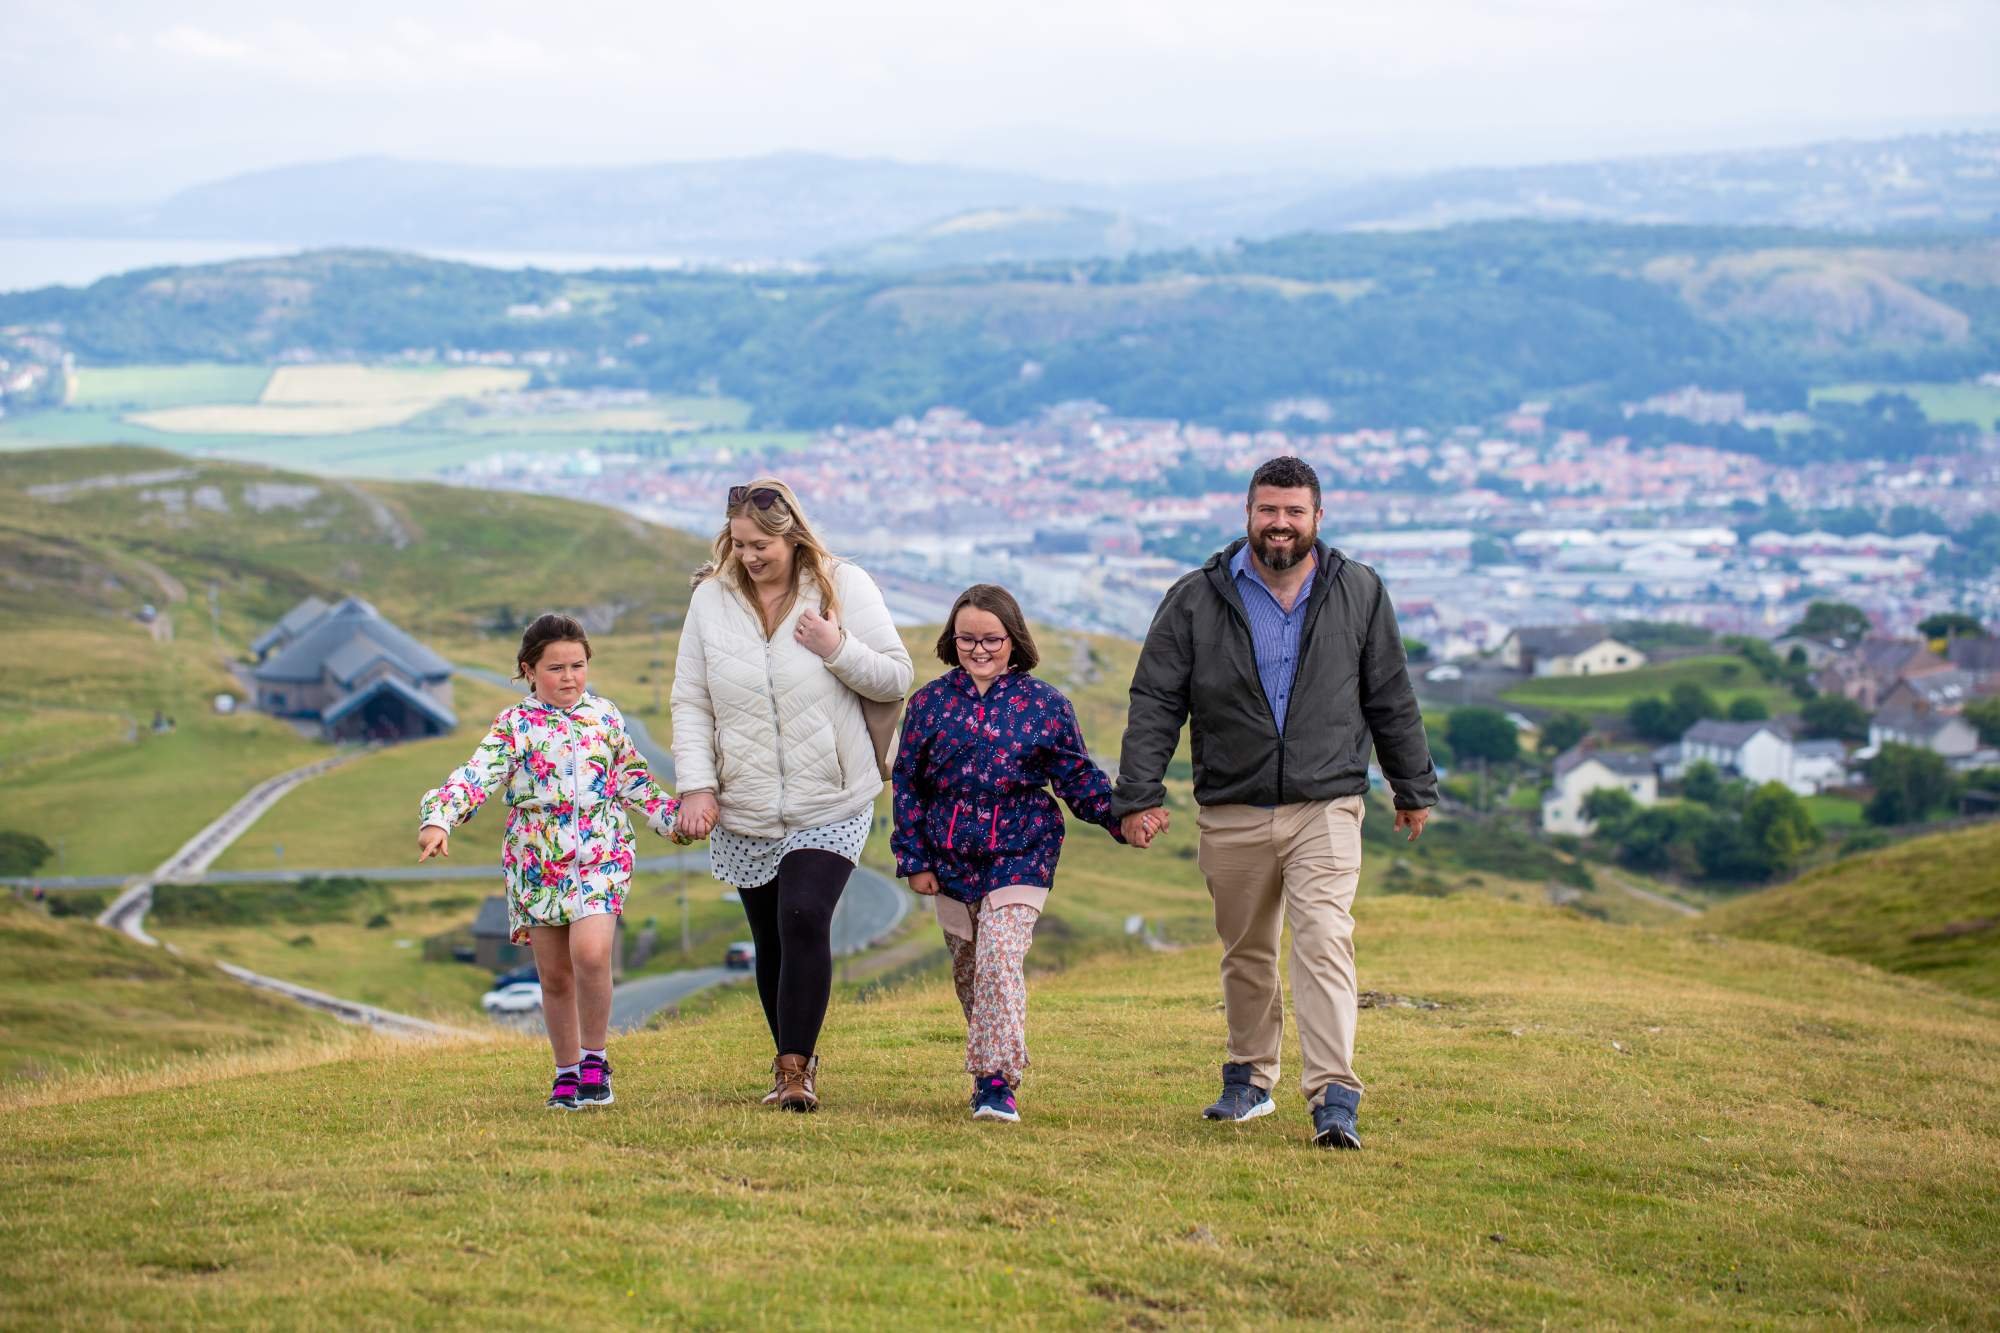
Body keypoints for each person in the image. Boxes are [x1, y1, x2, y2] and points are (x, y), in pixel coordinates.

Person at [1114, 456, 1438, 1150]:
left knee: (1324, 936)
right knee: (1248, 950)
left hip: (1327, 802)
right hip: (1232, 802)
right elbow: (1155, 701)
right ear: (1248, 515)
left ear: (1318, 517)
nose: (1281, 524)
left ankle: (1334, 1095)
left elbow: (1390, 693)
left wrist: (1412, 787)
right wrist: (1137, 795)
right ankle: (1250, 1079)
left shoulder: (1359, 591)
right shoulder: (1195, 598)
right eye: (1269, 510)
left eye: (1294, 511)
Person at [671, 478, 913, 1112]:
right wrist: (696, 785)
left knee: (803, 916)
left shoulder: (841, 585)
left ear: (794, 533)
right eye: (741, 543)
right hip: (746, 800)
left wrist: (836, 647)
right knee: (772, 940)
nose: (751, 557)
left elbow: (895, 675)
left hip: (831, 794)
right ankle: (792, 1058)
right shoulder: (711, 600)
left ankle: (793, 1071)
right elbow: (691, 699)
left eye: (763, 544)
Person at [892, 584, 1152, 1123]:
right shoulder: (927, 705)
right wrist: (913, 860)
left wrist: (1121, 821)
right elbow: (908, 784)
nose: (979, 649)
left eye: (991, 639)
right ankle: (991, 1067)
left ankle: (995, 1083)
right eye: (967, 639)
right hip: (950, 860)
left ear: (1014, 641)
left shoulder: (1047, 706)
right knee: (971, 975)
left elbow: (1078, 779)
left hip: (1023, 853)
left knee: (998, 959)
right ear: (951, 639)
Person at [418, 613, 681, 1111]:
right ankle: (565, 1073)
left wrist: (674, 819)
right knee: (556, 974)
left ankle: (595, 1059)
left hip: (601, 855)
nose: (569, 677)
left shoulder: (605, 717)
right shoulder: (514, 725)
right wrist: (440, 819)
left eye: (578, 666)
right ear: (529, 669)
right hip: (537, 865)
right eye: (556, 668)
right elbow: (478, 775)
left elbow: (633, 780)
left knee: (590, 954)